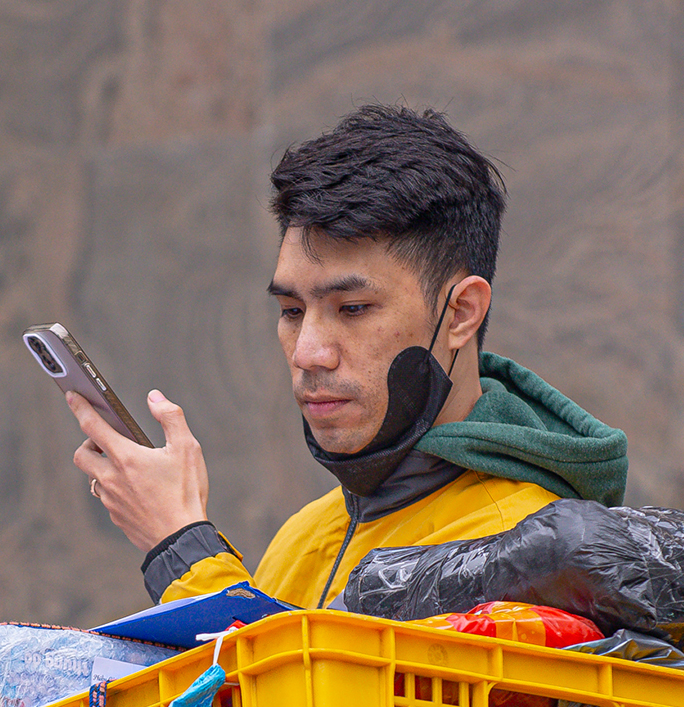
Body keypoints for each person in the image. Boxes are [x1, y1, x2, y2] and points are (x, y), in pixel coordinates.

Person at [67, 105, 630, 610]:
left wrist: (179, 544)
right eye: (291, 310)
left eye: (354, 308)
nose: (309, 352)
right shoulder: (304, 534)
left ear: (460, 313)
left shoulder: (523, 549)